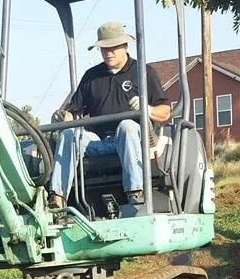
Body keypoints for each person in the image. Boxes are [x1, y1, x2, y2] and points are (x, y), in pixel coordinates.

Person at [48, 21, 171, 208]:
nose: (108, 52)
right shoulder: (92, 76)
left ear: (125, 46)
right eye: (104, 48)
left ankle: (135, 194)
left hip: (133, 141)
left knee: (127, 125)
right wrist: (63, 117)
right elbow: (75, 112)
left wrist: (147, 109)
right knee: (68, 134)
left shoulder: (143, 72)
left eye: (113, 47)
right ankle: (57, 198)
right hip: (98, 141)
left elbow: (165, 111)